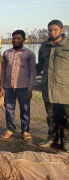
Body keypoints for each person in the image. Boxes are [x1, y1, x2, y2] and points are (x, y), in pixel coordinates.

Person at [37, 19, 69, 151]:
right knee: (51, 116)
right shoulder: (44, 46)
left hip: (65, 89)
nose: (52, 32)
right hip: (48, 88)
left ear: (62, 30)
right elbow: (40, 65)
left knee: (66, 118)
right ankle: (51, 139)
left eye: (55, 29)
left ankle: (66, 142)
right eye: (50, 30)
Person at [0, 30, 36, 140]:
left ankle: (25, 130)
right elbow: (3, 71)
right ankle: (10, 129)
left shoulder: (29, 54)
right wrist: (1, 87)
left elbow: (33, 71)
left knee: (24, 109)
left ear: (24, 39)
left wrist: (30, 89)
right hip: (8, 86)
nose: (16, 40)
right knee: (9, 109)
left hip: (24, 86)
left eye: (18, 38)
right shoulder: (6, 53)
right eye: (14, 38)